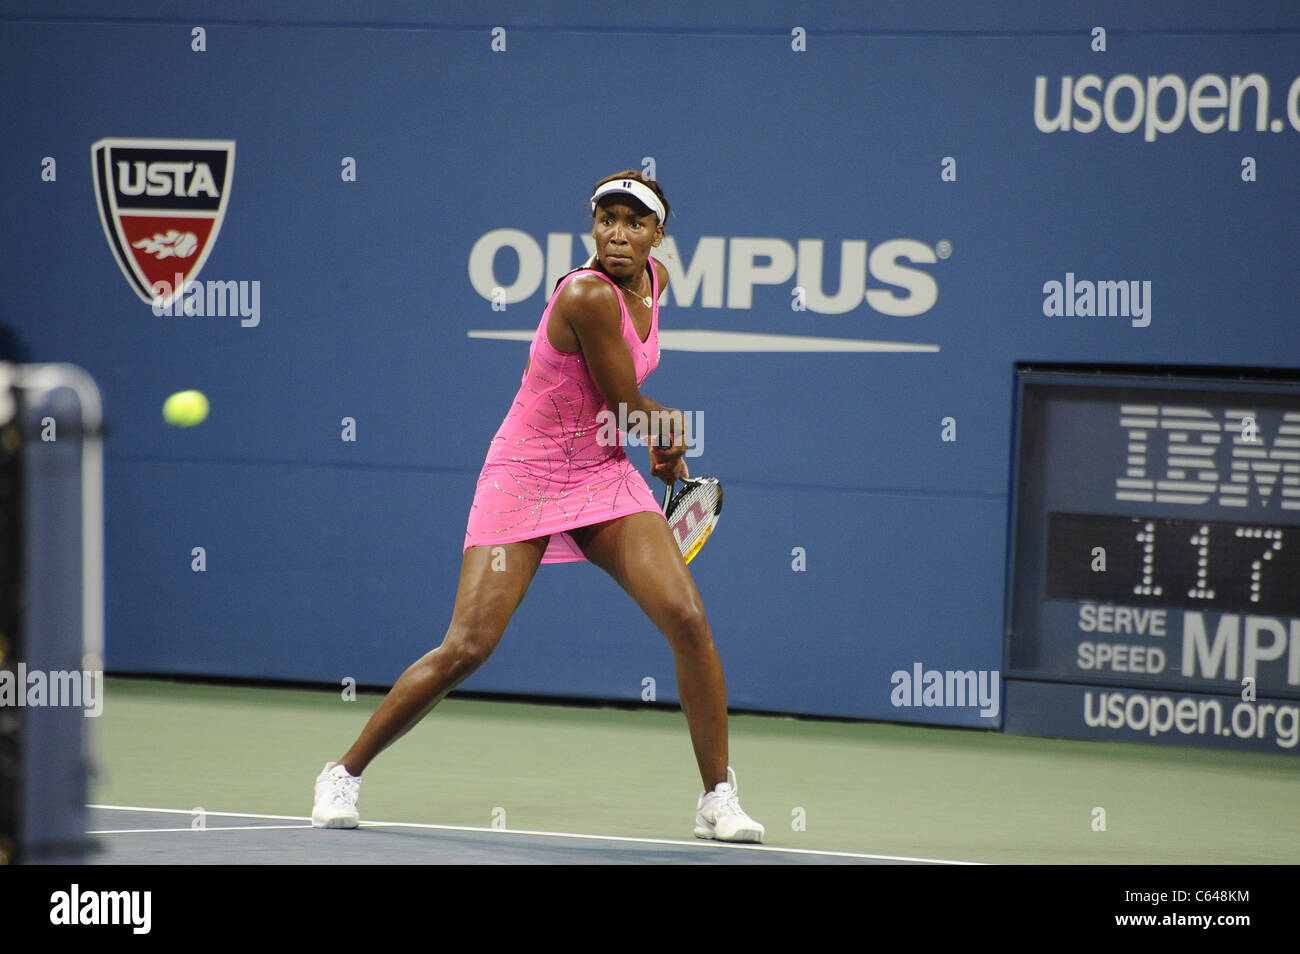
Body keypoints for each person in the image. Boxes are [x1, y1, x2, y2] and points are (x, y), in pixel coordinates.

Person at [312, 170, 763, 843]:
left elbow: (622, 409)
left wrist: (661, 451)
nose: (617, 233)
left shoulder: (655, 284)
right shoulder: (585, 293)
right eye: (606, 219)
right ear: (592, 226)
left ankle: (717, 798)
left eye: (633, 222)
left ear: (657, 236)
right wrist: (670, 433)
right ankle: (342, 772)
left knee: (687, 619)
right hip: (524, 477)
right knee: (468, 646)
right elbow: (624, 405)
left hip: (601, 476)